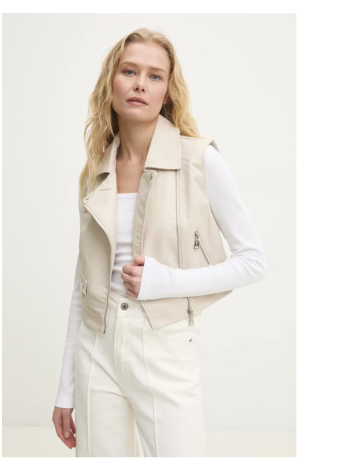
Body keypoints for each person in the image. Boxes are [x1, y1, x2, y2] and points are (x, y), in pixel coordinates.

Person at [51, 27, 268, 457]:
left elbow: (253, 261)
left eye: (154, 76)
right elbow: (83, 284)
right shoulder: (95, 172)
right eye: (129, 71)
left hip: (164, 343)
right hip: (96, 347)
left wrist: (164, 282)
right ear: (110, 82)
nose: (140, 84)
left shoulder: (200, 160)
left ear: (167, 91)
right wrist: (65, 388)